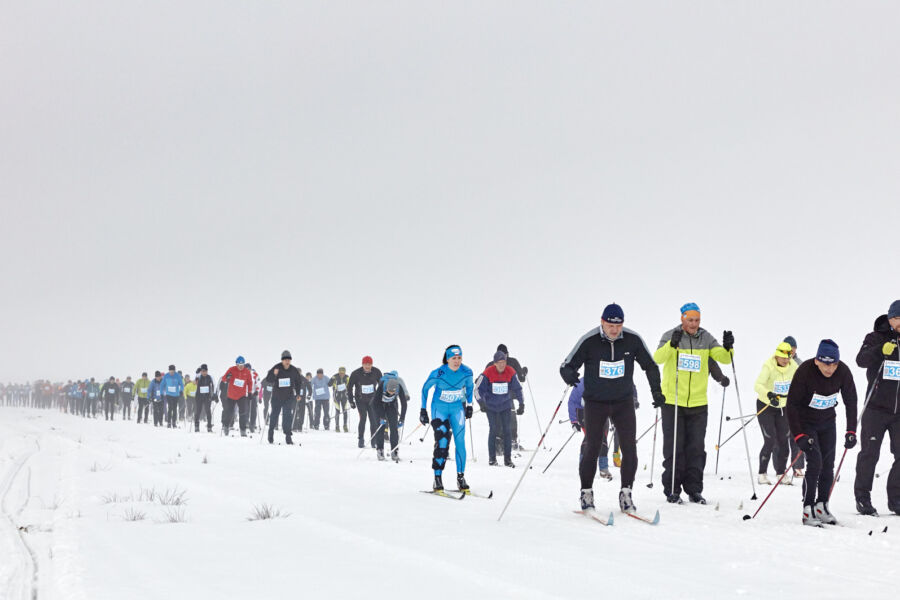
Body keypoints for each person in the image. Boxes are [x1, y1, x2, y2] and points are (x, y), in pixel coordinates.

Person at [560, 303, 664, 514]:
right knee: (593, 447)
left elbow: (650, 366)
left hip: (622, 402)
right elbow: (566, 364)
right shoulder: (589, 340)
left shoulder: (632, 339)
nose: (615, 330)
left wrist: (656, 392)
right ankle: (586, 493)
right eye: (610, 326)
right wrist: (569, 375)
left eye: (618, 326)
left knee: (629, 448)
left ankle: (626, 493)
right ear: (602, 323)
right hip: (595, 403)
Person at [652, 302, 732, 504]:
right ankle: (672, 489)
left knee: (696, 448)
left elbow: (723, 358)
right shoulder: (670, 335)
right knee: (674, 447)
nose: (694, 324)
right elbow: (658, 358)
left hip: (698, 402)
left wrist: (729, 347)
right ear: (682, 318)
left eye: (697, 320)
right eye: (690, 320)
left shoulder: (705, 337)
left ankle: (694, 490)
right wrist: (672, 345)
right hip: (673, 401)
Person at [787, 339, 858, 526]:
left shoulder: (843, 371)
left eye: (834, 364)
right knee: (815, 462)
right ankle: (808, 507)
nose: (830, 369)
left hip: (827, 422)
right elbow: (791, 405)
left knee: (828, 464)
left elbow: (851, 401)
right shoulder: (804, 372)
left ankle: (822, 505)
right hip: (806, 422)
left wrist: (851, 430)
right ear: (818, 360)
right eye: (826, 364)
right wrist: (798, 435)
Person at [854, 300, 900, 516]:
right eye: (897, 318)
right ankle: (862, 498)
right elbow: (860, 360)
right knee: (870, 454)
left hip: (898, 412)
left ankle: (896, 500)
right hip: (876, 408)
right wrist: (880, 350)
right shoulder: (875, 337)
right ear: (890, 318)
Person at [420, 345, 474, 492]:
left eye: (459, 358)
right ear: (447, 359)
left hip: (457, 409)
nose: (457, 361)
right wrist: (423, 409)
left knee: (460, 443)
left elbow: (470, 388)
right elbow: (425, 389)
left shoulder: (467, 372)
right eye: (453, 358)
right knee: (442, 441)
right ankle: (437, 478)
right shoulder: (439, 372)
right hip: (439, 409)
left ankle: (460, 477)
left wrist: (469, 405)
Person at [753, 342, 800, 485]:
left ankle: (781, 473)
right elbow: (757, 385)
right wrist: (769, 394)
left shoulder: (794, 367)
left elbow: (800, 383)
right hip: (766, 405)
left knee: (784, 440)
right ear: (776, 355)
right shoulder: (769, 366)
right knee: (770, 440)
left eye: (788, 357)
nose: (785, 360)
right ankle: (762, 473)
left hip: (783, 407)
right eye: (782, 357)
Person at [477, 351, 524, 467]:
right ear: (495, 363)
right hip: (491, 407)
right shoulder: (488, 373)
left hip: (505, 405)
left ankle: (507, 459)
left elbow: (518, 389)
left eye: (504, 362)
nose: (502, 365)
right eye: (499, 363)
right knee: (493, 429)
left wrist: (521, 404)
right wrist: (481, 403)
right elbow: (477, 390)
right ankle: (492, 459)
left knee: (507, 431)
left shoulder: (510, 372)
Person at [485, 344, 529, 450]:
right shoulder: (492, 365)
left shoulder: (512, 362)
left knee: (509, 418)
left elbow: (521, 379)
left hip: (507, 397)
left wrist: (523, 373)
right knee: (501, 419)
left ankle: (510, 441)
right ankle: (502, 443)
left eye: (504, 355)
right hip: (496, 398)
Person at [265, 351, 304, 445]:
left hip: (288, 397)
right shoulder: (276, 367)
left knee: (287, 417)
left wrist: (298, 394)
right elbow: (268, 379)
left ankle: (288, 437)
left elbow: (298, 382)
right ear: (282, 360)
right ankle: (270, 433)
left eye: (289, 360)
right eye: (285, 360)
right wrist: (274, 374)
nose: (287, 362)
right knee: (274, 415)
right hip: (277, 397)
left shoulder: (294, 370)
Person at [349, 356, 383, 448]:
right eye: (365, 364)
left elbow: (382, 385)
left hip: (372, 400)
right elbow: (349, 387)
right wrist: (351, 400)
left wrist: (381, 398)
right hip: (360, 400)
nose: (367, 366)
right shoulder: (356, 373)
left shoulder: (376, 372)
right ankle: (361, 439)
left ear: (372, 364)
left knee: (373, 420)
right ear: (362, 364)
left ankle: (373, 440)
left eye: (369, 364)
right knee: (363, 418)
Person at [372, 378, 408, 461]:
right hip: (379, 405)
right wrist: (381, 416)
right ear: (387, 387)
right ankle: (380, 450)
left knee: (394, 428)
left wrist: (402, 418)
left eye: (393, 392)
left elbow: (404, 404)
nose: (391, 393)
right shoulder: (382, 386)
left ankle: (394, 451)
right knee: (381, 427)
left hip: (391, 405)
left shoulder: (399, 387)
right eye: (389, 391)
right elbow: (375, 403)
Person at [220, 356, 254, 436]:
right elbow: (224, 379)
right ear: (236, 364)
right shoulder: (231, 369)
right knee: (229, 412)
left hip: (242, 395)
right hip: (231, 395)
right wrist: (227, 377)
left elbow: (250, 382)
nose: (241, 367)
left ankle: (243, 430)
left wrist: (249, 392)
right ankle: (226, 426)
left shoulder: (247, 372)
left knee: (243, 413)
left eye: (242, 365)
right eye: (239, 365)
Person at [194, 364, 217, 433]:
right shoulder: (198, 376)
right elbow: (194, 382)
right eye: (202, 371)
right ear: (201, 371)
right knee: (198, 411)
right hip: (199, 397)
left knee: (208, 411)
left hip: (207, 397)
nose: (204, 372)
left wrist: (215, 395)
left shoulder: (210, 377)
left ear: (207, 371)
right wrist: (197, 373)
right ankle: (196, 426)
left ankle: (209, 427)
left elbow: (214, 386)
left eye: (205, 371)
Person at [330, 367, 350, 433]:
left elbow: (350, 385)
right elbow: (329, 384)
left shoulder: (347, 377)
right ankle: (337, 426)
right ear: (338, 372)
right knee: (337, 411)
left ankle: (345, 425)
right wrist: (332, 380)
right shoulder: (335, 376)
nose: (341, 374)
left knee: (345, 411)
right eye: (340, 373)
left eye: (343, 373)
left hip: (344, 396)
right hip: (337, 396)